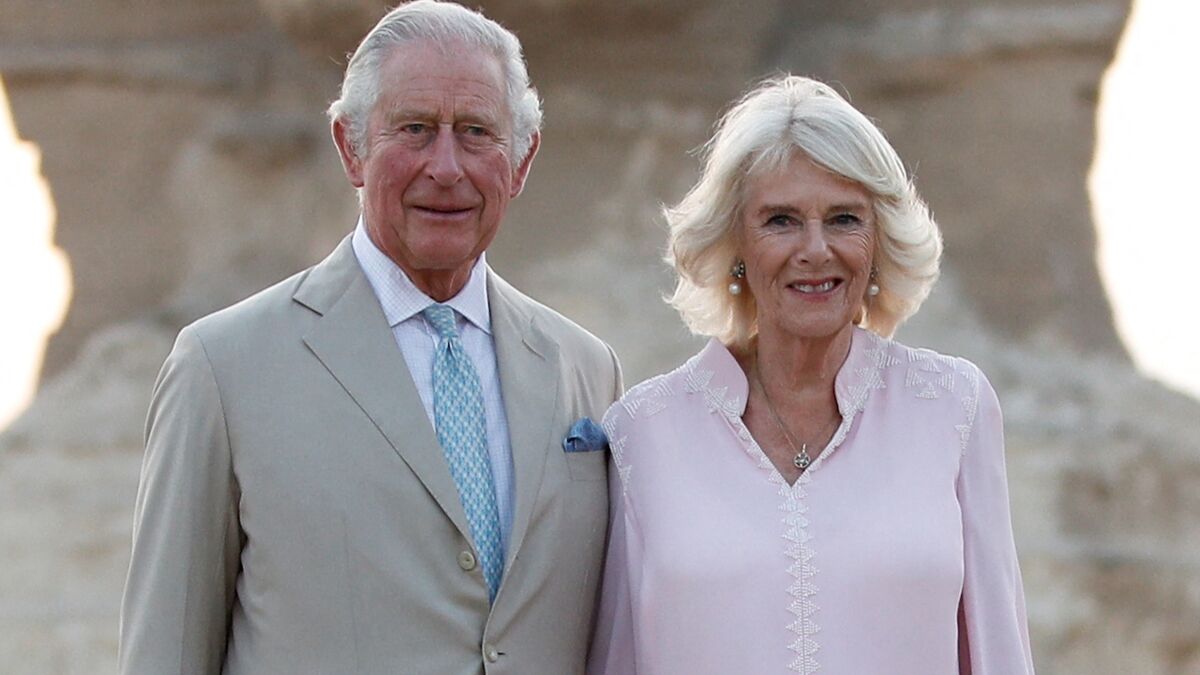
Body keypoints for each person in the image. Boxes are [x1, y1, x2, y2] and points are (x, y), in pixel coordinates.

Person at [119, 2, 622, 672]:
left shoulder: (587, 370)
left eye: (476, 132)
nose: (446, 166)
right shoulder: (222, 368)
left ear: (522, 160)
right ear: (350, 147)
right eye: (414, 129)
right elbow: (166, 652)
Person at [588, 75, 1034, 674]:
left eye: (845, 219)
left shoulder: (955, 407)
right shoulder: (643, 431)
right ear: (735, 243)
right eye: (781, 220)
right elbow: (616, 661)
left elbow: (998, 654)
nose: (816, 250)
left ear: (879, 243)